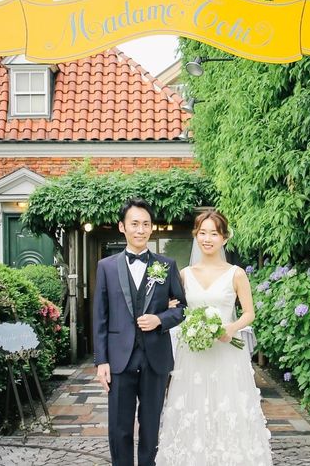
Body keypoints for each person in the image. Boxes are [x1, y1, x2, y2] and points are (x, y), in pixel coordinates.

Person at [156, 210, 273, 466]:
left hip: (227, 352)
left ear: (224, 238)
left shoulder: (236, 274)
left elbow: (249, 313)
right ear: (196, 236)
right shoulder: (184, 274)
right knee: (193, 408)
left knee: (227, 408)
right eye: (202, 233)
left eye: (214, 233)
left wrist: (231, 328)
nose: (207, 239)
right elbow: (177, 309)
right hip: (193, 354)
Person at [93, 198, 187, 466]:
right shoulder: (106, 267)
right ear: (122, 227)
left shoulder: (166, 265)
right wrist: (101, 361)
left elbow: (182, 308)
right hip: (119, 359)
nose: (140, 229)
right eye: (134, 224)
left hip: (155, 358)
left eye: (146, 224)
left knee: (151, 426)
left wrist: (159, 319)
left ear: (151, 227)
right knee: (119, 427)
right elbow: (100, 317)